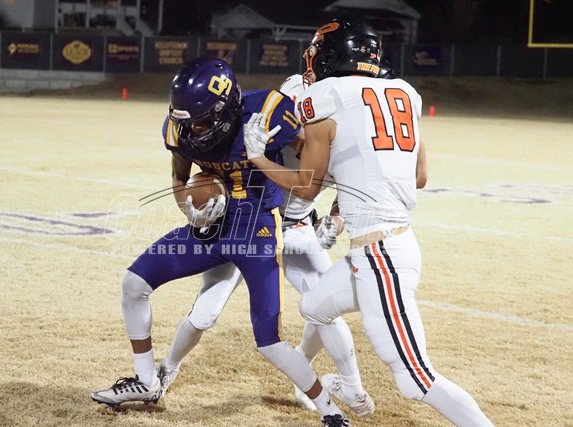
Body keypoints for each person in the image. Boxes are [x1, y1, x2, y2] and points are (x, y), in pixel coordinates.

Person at [243, 19, 494, 427]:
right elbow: (419, 176)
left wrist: (258, 157)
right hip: (388, 245)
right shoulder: (405, 93)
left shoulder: (323, 95)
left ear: (332, 55)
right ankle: (345, 386)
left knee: (416, 380)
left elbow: (306, 186)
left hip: (381, 255)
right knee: (314, 306)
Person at [91, 57, 350, 427]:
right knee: (134, 283)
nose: (190, 130)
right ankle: (147, 381)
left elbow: (314, 160)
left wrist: (326, 212)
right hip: (213, 229)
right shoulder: (180, 130)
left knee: (269, 340)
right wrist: (190, 211)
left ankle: (330, 409)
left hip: (258, 231)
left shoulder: (267, 112)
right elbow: (180, 180)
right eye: (185, 121)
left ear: (224, 111)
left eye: (199, 121)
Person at [156, 73, 375, 418]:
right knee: (205, 314)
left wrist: (335, 222)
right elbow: (195, 170)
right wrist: (194, 206)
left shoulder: (338, 137)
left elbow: (350, 189)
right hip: (245, 225)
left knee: (325, 309)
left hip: (297, 228)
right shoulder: (271, 120)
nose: (301, 118)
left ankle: (349, 386)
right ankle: (167, 367)